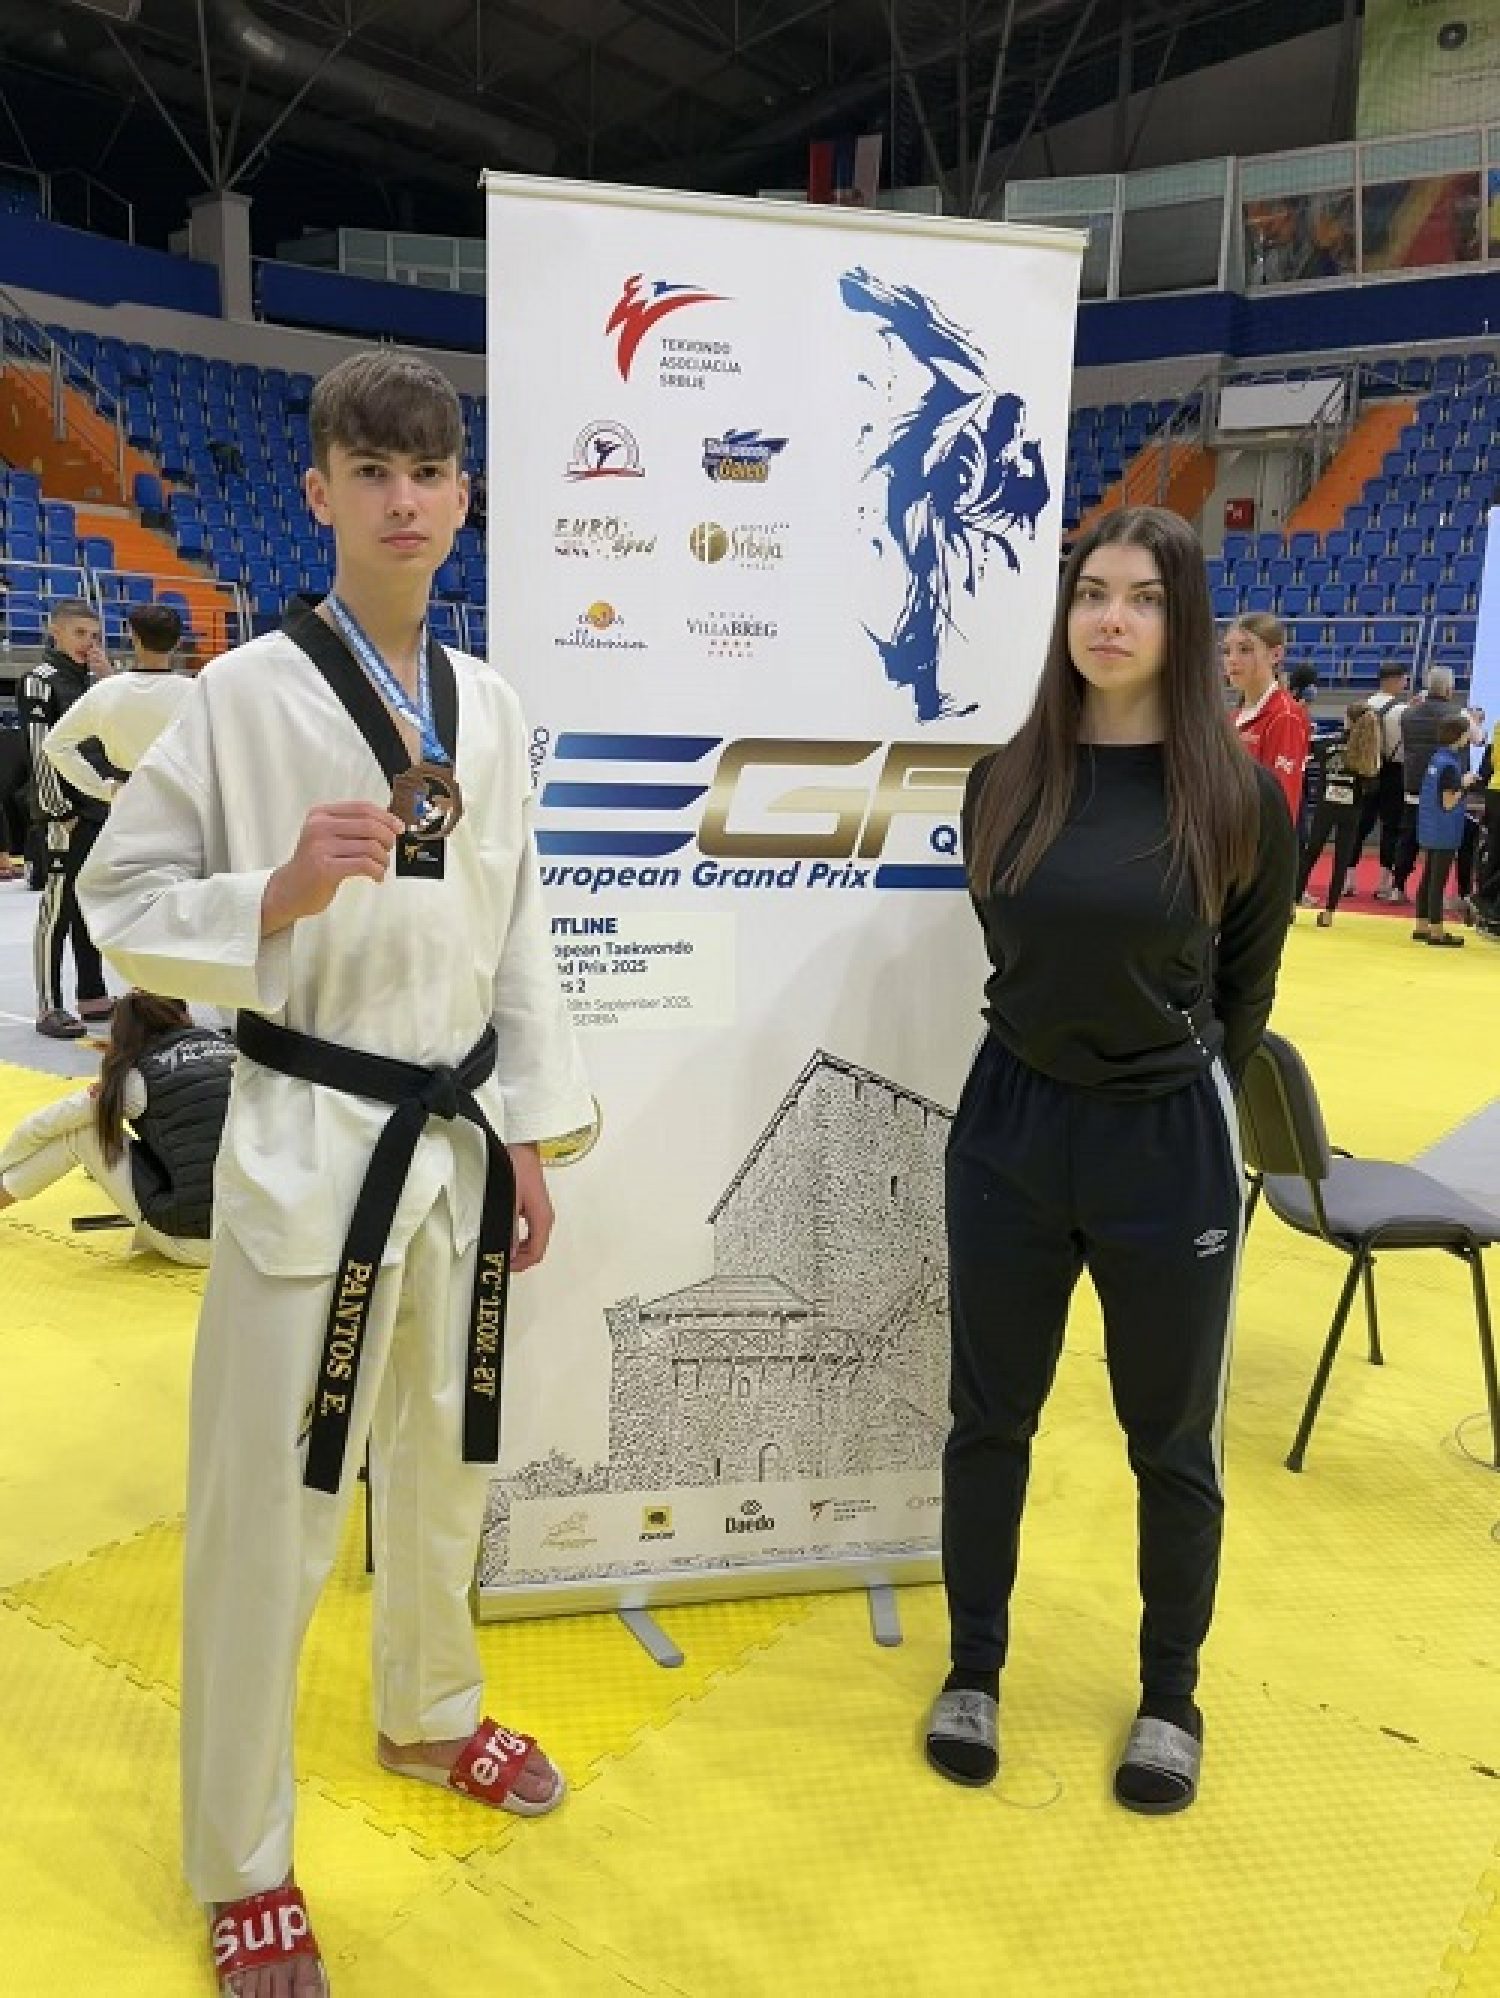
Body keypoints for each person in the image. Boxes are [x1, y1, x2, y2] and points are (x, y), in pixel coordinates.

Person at [78, 350, 594, 1998]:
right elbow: (114, 900)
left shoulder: (491, 704)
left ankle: (430, 1708)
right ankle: (243, 1857)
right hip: (311, 1142)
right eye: (370, 470)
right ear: (318, 493)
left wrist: (527, 1124)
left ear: (464, 495)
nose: (402, 498)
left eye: (427, 471)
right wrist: (276, 893)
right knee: (272, 1513)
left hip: (455, 1135)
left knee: (449, 1463)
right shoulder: (240, 698)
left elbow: (517, 929)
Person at [925, 507, 1295, 1819]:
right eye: (1092, 592)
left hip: (1166, 1148)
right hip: (1013, 1131)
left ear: (1183, 623)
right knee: (990, 1418)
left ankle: (1169, 1696)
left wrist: (1161, 1081)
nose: (1112, 618)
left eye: (1144, 596)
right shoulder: (1004, 782)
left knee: (1172, 1440)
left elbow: (1246, 992)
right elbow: (1013, 948)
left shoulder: (1237, 799)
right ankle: (973, 1667)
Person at [0, 990, 233, 1266]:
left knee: (82, 1133)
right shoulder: (235, 1052)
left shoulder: (134, 1081)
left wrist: (5, 1162)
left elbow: (39, 1126)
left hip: (197, 1243)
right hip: (254, 1242)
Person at [20, 599, 116, 1037]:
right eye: (79, 633)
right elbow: (41, 750)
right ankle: (47, 1006)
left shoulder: (92, 681)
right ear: (54, 631)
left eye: (94, 635)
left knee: (88, 906)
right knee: (56, 911)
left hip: (98, 808)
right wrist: (59, 810)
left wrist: (107, 678)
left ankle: (92, 996)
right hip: (65, 813)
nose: (88, 643)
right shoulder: (39, 681)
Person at [42, 602, 195, 805]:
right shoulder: (196, 692)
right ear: (178, 642)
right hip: (183, 798)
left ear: (134, 638)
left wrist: (101, 789)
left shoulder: (106, 690)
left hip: (127, 798)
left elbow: (55, 745)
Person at [1295, 702, 1382, 926]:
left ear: (1348, 720)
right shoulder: (1368, 752)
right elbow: (1372, 787)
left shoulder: (1329, 744)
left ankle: (1291, 905)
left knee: (1310, 854)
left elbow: (1306, 748)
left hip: (1326, 807)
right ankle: (1329, 912)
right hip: (1351, 810)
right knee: (1341, 860)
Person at [1392, 666, 1470, 903]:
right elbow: (1477, 739)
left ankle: (1398, 886)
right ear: (1448, 689)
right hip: (1444, 784)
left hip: (1414, 783)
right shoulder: (1458, 714)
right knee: (1442, 843)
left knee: (1408, 837)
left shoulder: (1408, 714)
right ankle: (1447, 893)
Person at [1223, 612, 1310, 822]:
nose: (1232, 659)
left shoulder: (1285, 716)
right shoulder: (1233, 717)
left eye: (1245, 650)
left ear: (1275, 655)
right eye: (1226, 651)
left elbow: (1281, 808)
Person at [1413, 715, 1472, 947]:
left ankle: (1421, 925)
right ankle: (1437, 931)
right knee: (1438, 881)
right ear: (1459, 736)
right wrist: (1464, 784)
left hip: (1430, 825)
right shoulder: (1450, 765)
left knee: (1428, 877)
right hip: (1445, 828)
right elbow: (1448, 802)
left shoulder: (1436, 759)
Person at [1357, 662, 1410, 902]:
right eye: (1404, 679)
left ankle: (1347, 879)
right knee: (1391, 827)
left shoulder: (1364, 706)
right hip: (1393, 771)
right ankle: (1383, 883)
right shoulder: (1402, 711)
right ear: (1395, 680)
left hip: (1367, 769)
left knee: (1360, 825)